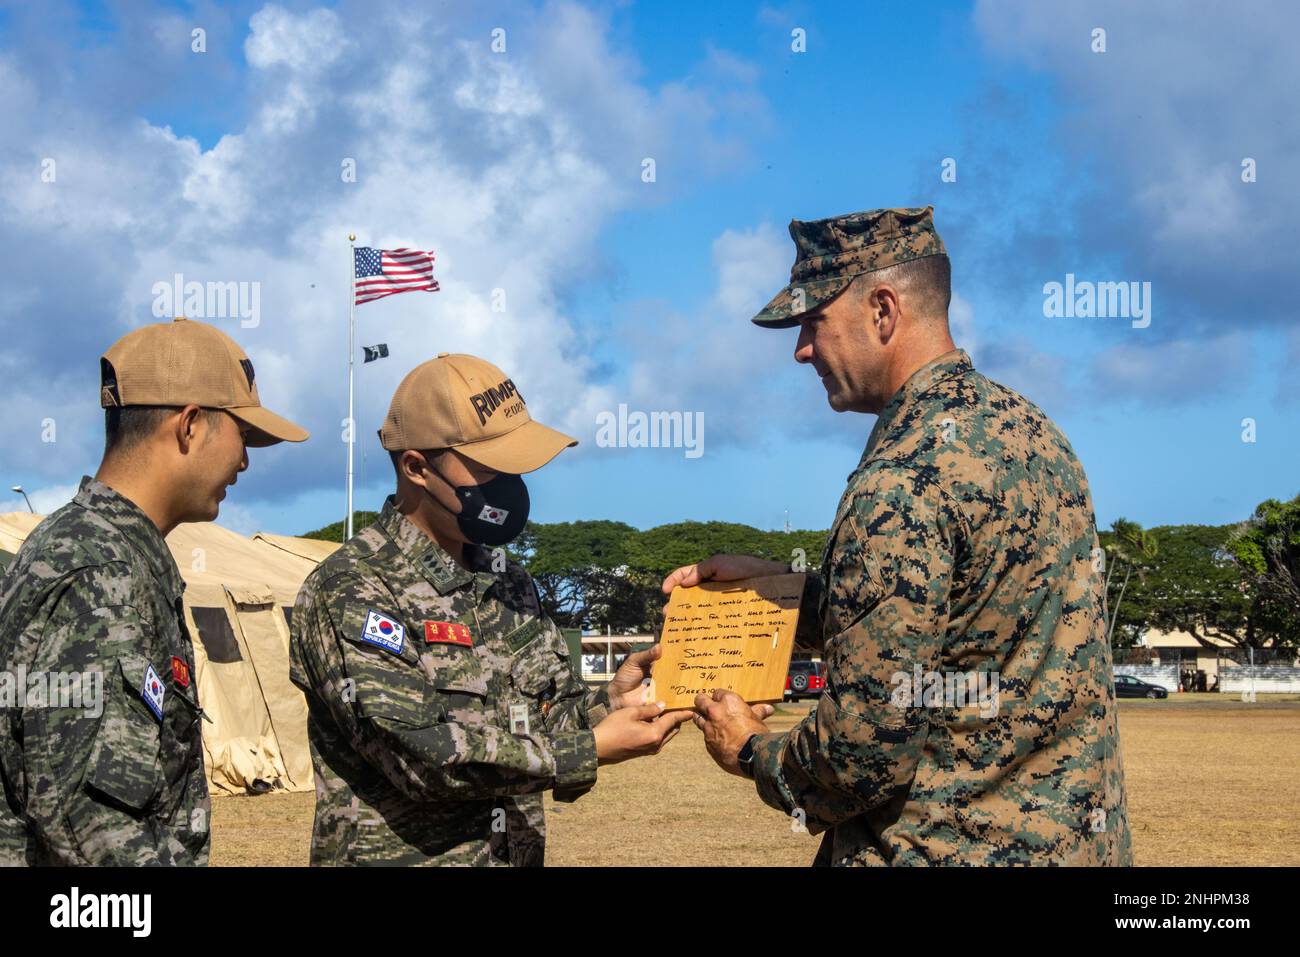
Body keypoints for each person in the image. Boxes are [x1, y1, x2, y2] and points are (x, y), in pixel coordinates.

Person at [666, 207, 1133, 865]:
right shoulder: (1036, 435)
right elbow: (961, 626)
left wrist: (750, 749)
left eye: (813, 321)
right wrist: (778, 592)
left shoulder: (900, 477)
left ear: (883, 311)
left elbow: (859, 754)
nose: (801, 349)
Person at [289, 353, 691, 865]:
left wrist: (609, 705)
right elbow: (421, 755)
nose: (508, 482)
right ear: (416, 467)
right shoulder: (353, 588)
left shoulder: (509, 582)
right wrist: (587, 751)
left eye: (513, 465)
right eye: (488, 466)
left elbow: (538, 718)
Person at [0, 318, 308, 865]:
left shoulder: (118, 558)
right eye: (242, 436)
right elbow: (96, 832)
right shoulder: (98, 570)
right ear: (190, 426)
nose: (244, 461)